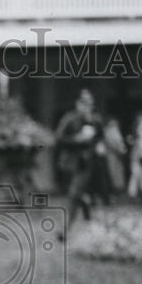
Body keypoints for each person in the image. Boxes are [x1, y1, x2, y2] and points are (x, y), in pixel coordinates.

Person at [54, 89, 107, 227]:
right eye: (84, 103)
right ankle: (86, 204)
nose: (87, 107)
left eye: (90, 103)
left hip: (85, 163)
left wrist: (98, 147)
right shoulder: (69, 119)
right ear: (77, 104)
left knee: (73, 194)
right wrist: (77, 139)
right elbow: (59, 138)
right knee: (74, 192)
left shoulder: (96, 120)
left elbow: (101, 138)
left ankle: (65, 228)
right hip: (69, 162)